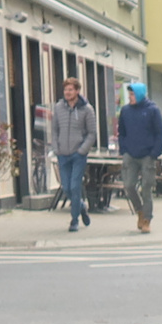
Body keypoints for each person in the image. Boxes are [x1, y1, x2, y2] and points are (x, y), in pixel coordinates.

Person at [51, 78, 97, 232]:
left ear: (77, 91)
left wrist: (82, 150)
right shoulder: (58, 108)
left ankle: (74, 220)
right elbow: (54, 130)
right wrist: (56, 148)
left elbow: (92, 133)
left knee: (75, 186)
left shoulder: (87, 109)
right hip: (62, 154)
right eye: (65, 90)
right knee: (66, 187)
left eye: (70, 90)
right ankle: (81, 206)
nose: (67, 93)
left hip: (78, 155)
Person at [118, 82, 162, 233]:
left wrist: (154, 153)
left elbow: (159, 133)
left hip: (147, 155)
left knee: (146, 187)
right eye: (129, 95)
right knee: (129, 186)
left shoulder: (152, 110)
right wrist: (123, 149)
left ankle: (147, 220)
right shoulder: (125, 111)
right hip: (130, 154)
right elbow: (122, 132)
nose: (130, 97)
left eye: (132, 94)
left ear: (139, 94)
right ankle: (140, 211)